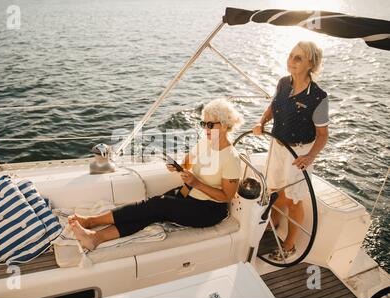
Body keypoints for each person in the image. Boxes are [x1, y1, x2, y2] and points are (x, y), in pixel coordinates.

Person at [69, 98, 244, 250]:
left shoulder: (231, 157)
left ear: (225, 125)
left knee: (155, 205)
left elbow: (226, 196)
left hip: (208, 210)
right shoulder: (205, 142)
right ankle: (95, 238)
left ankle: (92, 221)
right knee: (150, 210)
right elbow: (188, 162)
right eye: (203, 123)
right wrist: (178, 167)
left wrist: (196, 183)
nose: (205, 128)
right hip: (188, 194)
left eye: (210, 124)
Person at [253, 41, 329, 261]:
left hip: (298, 154)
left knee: (294, 200)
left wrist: (310, 157)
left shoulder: (318, 97)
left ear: (310, 64)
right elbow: (273, 106)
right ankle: (274, 223)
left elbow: (323, 135)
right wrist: (261, 122)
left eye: (298, 58)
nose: (291, 61)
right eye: (290, 55)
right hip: (276, 147)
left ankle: (289, 245)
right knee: (274, 190)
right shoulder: (283, 83)